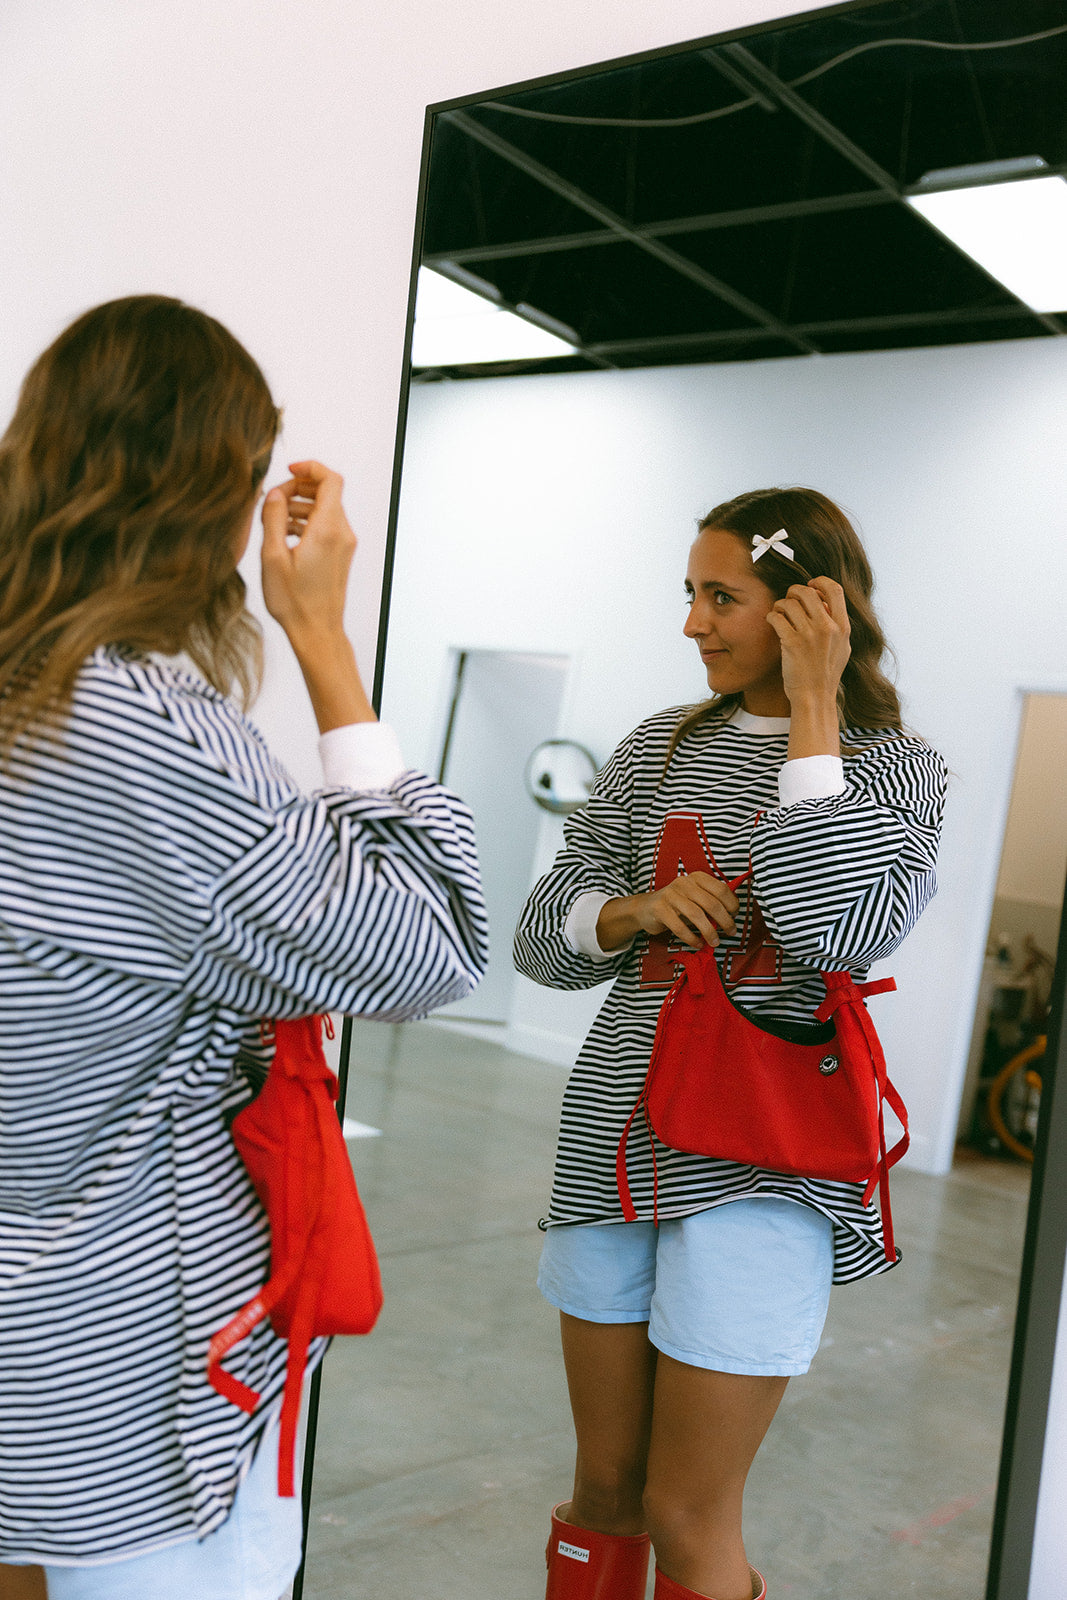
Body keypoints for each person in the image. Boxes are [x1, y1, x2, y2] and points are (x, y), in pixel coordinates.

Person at [0, 295, 487, 1600]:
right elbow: (428, 941)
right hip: (126, 1369)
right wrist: (322, 635)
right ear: (207, 488)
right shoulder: (134, 729)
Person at [514, 488, 947, 1600]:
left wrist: (812, 713)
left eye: (723, 596)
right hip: (610, 1147)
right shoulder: (655, 746)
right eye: (689, 594)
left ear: (810, 608)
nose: (693, 622)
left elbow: (835, 925)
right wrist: (631, 910)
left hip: (765, 1167)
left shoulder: (893, 766)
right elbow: (538, 937)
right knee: (601, 1492)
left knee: (685, 1511)